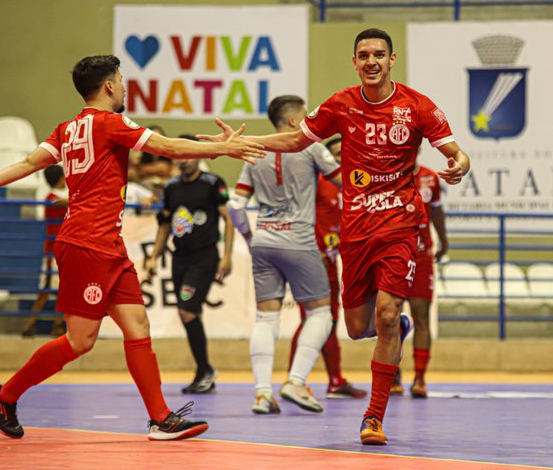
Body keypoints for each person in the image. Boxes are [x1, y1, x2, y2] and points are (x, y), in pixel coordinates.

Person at [0, 54, 264, 441]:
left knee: (137, 326)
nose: (125, 86)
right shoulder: (111, 123)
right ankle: (5, 396)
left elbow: (29, 163)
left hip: (107, 245)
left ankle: (160, 418)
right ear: (110, 86)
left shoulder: (67, 129)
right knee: (80, 341)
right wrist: (224, 150)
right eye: (122, 79)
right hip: (86, 243)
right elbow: (167, 148)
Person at [199, 28, 470, 445]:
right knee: (359, 327)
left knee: (383, 315)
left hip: (400, 225)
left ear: (392, 60)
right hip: (356, 231)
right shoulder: (340, 105)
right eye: (363, 55)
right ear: (355, 61)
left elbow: (456, 152)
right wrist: (239, 144)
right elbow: (293, 139)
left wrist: (461, 164)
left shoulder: (417, 106)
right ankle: (393, 327)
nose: (371, 61)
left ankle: (374, 418)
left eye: (379, 54)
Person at [227, 95, 341, 415]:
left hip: (263, 239)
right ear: (292, 122)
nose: (308, 123)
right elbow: (345, 182)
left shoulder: (255, 152)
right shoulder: (311, 146)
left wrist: (251, 238)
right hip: (300, 239)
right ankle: (296, 381)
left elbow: (235, 206)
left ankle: (262, 393)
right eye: (304, 117)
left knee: (266, 318)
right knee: (321, 314)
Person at [144, 136, 234, 394]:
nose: (183, 162)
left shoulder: (212, 183)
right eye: (178, 157)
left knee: (187, 311)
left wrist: (227, 256)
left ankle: (205, 369)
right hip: (178, 258)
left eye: (188, 156)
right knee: (188, 313)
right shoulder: (172, 188)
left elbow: (228, 220)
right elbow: (164, 225)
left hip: (204, 258)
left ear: (198, 156)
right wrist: (153, 258)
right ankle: (204, 369)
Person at [288, 137, 367, 400]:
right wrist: (313, 250)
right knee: (315, 318)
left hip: (338, 260)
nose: (343, 158)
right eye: (336, 155)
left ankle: (334, 381)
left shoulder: (360, 184)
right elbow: (298, 217)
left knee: (330, 320)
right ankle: (294, 380)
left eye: (347, 152)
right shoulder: (318, 185)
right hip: (314, 258)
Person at [391, 157, 448, 398]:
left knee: (421, 315)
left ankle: (420, 377)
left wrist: (444, 241)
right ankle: (392, 377)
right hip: (392, 254)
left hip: (422, 255)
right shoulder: (387, 175)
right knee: (389, 317)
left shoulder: (430, 177)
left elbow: (436, 211)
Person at [22, 164, 67, 338]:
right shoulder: (52, 198)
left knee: (61, 290)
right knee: (47, 290)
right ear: (60, 179)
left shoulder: (56, 198)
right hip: (54, 252)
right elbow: (67, 202)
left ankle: (55, 326)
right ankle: (31, 325)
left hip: (61, 250)